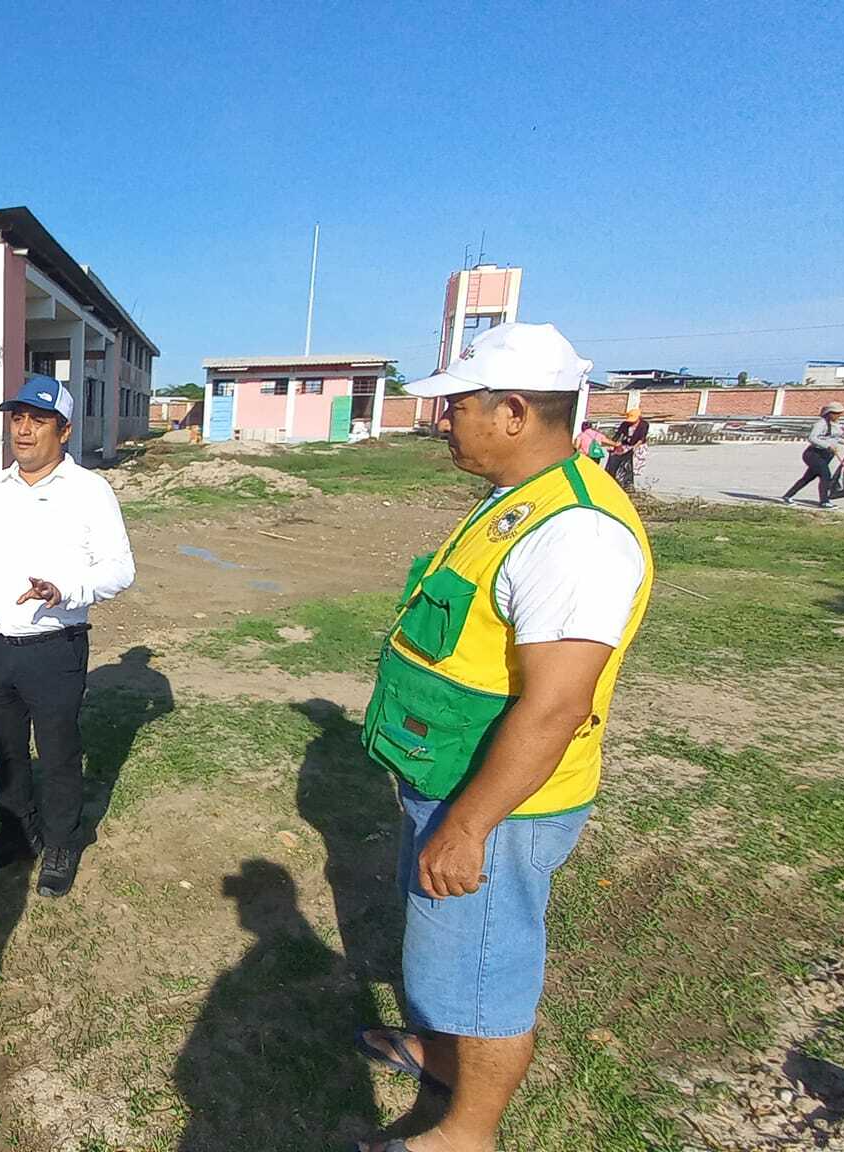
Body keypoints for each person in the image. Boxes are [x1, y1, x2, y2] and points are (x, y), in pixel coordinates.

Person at [351, 323, 653, 1152]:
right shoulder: (518, 501)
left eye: (456, 407)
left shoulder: (576, 536)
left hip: (503, 803)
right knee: (449, 956)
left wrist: (472, 823)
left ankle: (466, 1133)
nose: (444, 421)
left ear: (514, 410)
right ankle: (441, 1054)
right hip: (452, 772)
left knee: (485, 969)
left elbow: (555, 707)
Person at [0, 374, 135, 898]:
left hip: (54, 650)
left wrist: (65, 590)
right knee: (6, 748)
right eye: (17, 418)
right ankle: (17, 831)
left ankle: (62, 841)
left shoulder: (90, 491)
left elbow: (120, 569)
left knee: (58, 752)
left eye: (37, 420)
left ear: (63, 431)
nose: (23, 429)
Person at [782, 401, 844, 508]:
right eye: (837, 413)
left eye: (840, 413)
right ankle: (824, 501)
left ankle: (787, 496)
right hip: (813, 454)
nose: (839, 415)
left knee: (808, 477)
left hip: (826, 455)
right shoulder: (820, 424)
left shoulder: (834, 424)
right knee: (825, 475)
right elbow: (812, 438)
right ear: (829, 413)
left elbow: (833, 437)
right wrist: (828, 446)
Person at [603, 405, 648, 490]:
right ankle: (618, 481)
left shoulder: (644, 425)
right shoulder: (625, 424)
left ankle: (630, 483)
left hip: (638, 446)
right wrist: (612, 445)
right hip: (627, 444)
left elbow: (642, 438)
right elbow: (618, 435)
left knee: (633, 466)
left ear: (638, 417)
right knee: (619, 461)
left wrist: (634, 448)